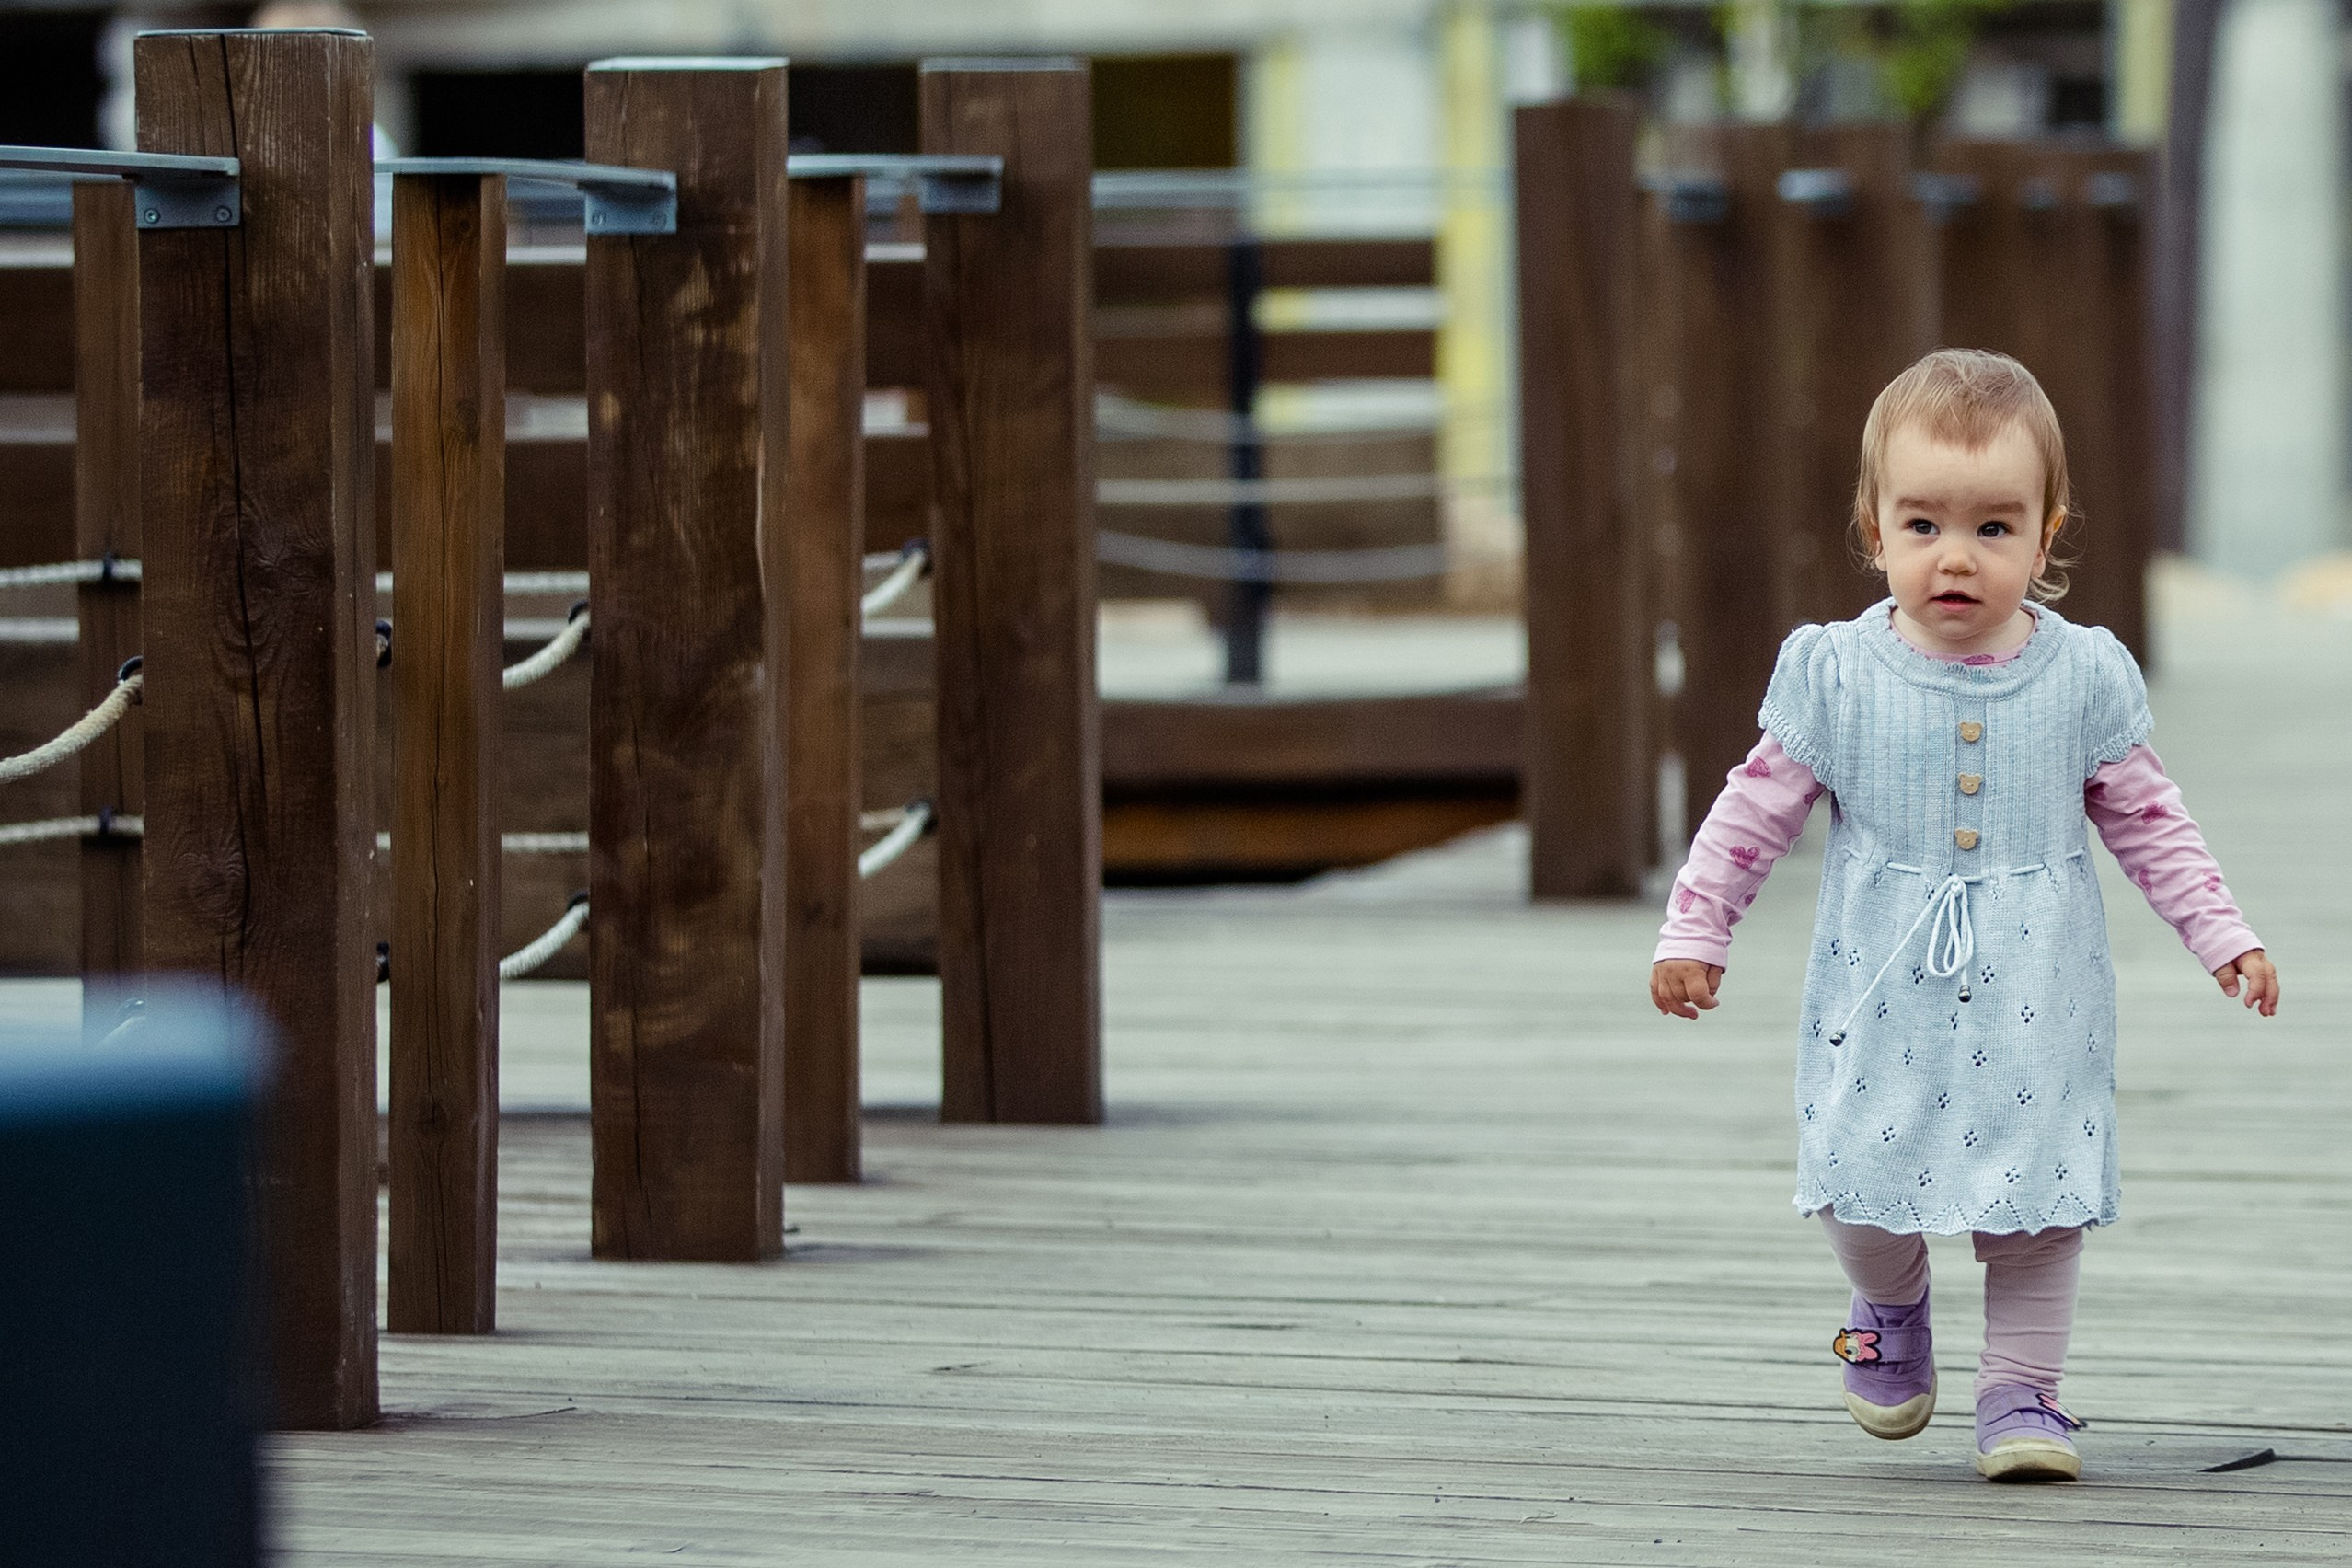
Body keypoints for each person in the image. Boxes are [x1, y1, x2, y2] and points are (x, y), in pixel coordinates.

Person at [1648, 348, 2280, 1482]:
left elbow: (2150, 822)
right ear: (1873, 527)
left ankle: (2022, 1394)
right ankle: (1889, 1309)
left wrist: (2221, 933)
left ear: (2048, 534)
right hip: (1879, 987)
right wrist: (1698, 926)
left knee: (2039, 1203)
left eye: (1995, 528)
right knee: (1855, 1175)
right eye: (1925, 523)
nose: (1957, 555)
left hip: (2041, 992)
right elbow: (1755, 812)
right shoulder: (1836, 673)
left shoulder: (2083, 676)